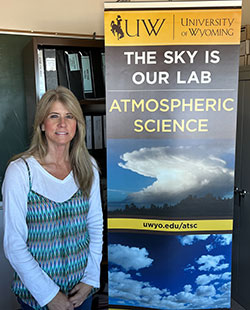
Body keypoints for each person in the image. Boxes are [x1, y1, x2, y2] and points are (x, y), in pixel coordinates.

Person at [2, 86, 103, 310]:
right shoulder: (20, 171)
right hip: (38, 300)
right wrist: (50, 296)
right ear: (41, 124)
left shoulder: (88, 167)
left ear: (78, 124)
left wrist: (90, 280)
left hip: (81, 295)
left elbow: (95, 226)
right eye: (54, 116)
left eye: (69, 116)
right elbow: (13, 244)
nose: (62, 124)